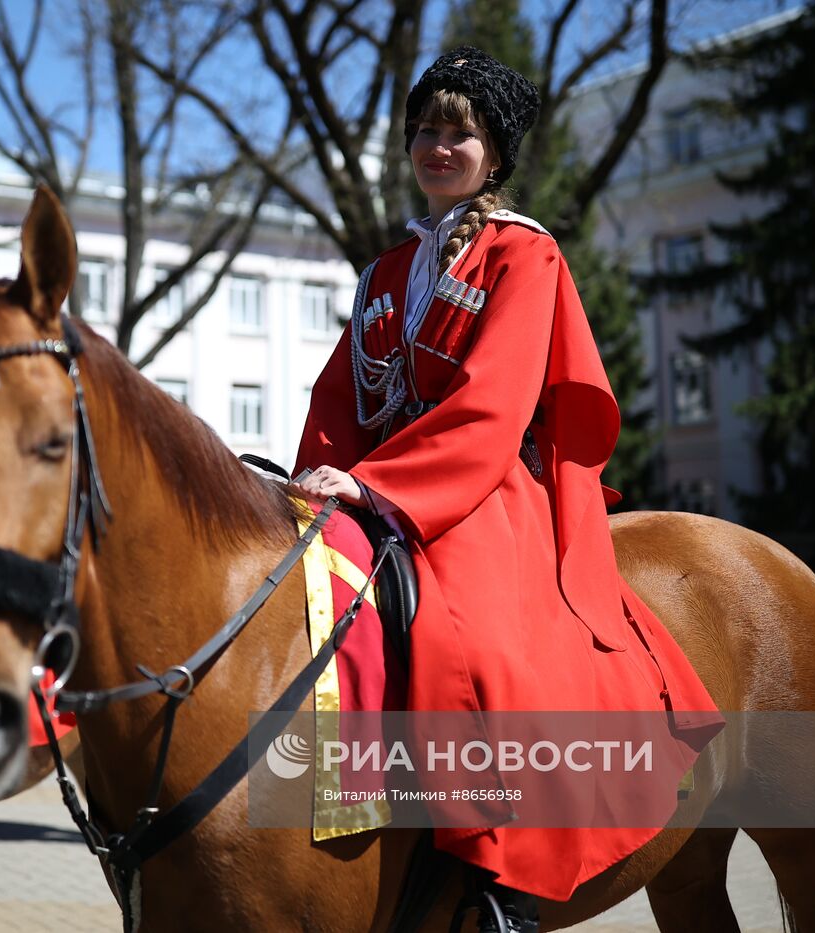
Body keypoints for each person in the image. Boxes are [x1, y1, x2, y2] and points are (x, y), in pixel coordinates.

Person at [291, 49, 721, 932]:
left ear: (494, 153)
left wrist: (376, 484)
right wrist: (317, 479)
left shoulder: (525, 253)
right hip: (378, 485)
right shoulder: (383, 271)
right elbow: (338, 396)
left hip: (479, 488)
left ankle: (501, 877)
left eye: (460, 132)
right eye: (425, 130)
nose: (438, 145)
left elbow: (494, 403)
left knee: (476, 641)